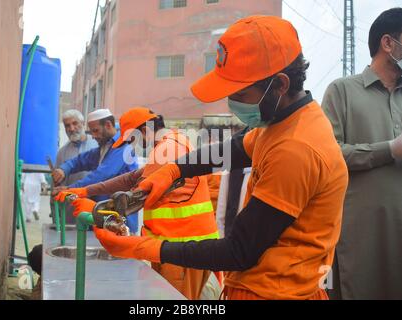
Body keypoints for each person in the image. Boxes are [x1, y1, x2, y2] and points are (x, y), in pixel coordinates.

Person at [79, 16, 349, 300]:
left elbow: (238, 251)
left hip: (274, 294)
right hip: (254, 286)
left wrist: (140, 246)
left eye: (241, 93)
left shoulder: (297, 149)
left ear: (280, 84)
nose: (233, 103)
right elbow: (232, 150)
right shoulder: (282, 122)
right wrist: (173, 171)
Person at [57, 107, 219, 300]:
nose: (132, 147)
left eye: (131, 140)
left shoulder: (168, 149)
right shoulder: (170, 143)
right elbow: (133, 177)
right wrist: (86, 190)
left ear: (143, 131)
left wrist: (93, 209)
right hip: (176, 243)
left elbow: (134, 199)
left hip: (182, 246)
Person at [321, 7, 402, 300]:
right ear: (388, 43)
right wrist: (389, 150)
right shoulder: (341, 91)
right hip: (359, 239)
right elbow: (328, 156)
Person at [52, 108, 139, 233]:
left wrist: (71, 189)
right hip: (105, 216)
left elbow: (102, 174)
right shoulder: (104, 147)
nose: (93, 136)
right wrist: (63, 169)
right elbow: (81, 160)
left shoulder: (124, 146)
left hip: (121, 218)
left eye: (96, 131)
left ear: (108, 125)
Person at [53, 109, 98, 224]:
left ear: (83, 124)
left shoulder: (97, 145)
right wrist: (56, 217)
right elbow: (57, 187)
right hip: (71, 210)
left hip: (95, 205)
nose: (71, 129)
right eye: (67, 125)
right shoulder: (62, 153)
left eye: (75, 123)